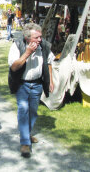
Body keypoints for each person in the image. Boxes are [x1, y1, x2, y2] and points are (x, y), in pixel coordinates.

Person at [7, 23, 55, 158]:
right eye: (36, 37)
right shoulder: (17, 45)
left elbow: (50, 61)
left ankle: (27, 134)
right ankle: (25, 143)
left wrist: (50, 80)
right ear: (27, 38)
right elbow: (14, 67)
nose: (40, 40)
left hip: (37, 84)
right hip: (22, 84)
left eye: (40, 36)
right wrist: (27, 53)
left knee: (33, 112)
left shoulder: (44, 45)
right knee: (23, 110)